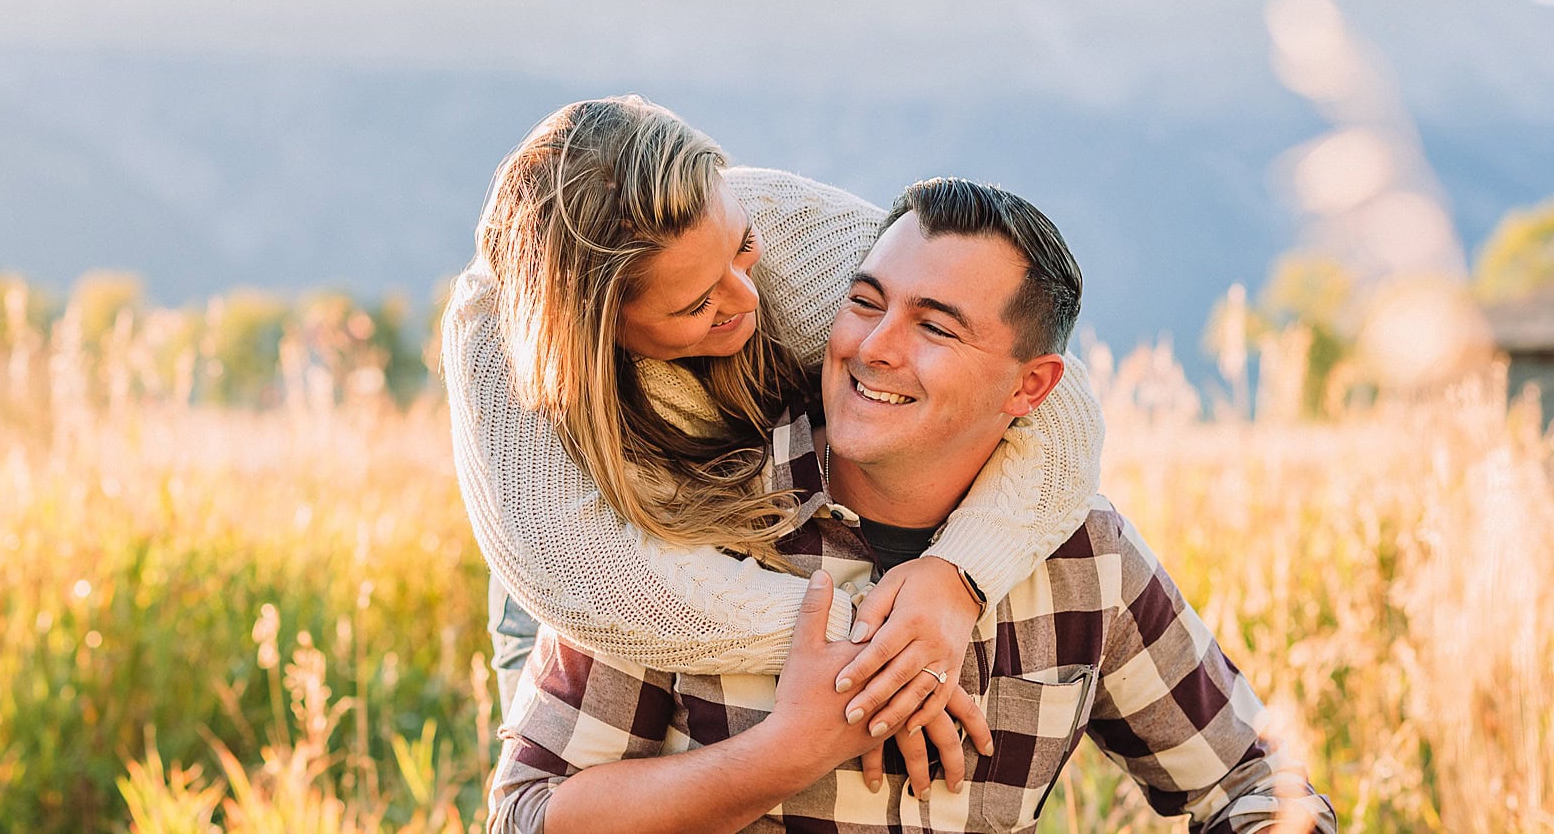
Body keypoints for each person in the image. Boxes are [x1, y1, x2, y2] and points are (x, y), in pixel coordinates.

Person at [488, 178, 1337, 834]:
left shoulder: (1086, 560)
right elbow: (528, 816)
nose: (873, 348)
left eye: (935, 327)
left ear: (1031, 387)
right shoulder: (695, 523)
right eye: (864, 302)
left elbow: (1257, 785)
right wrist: (784, 754)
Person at [441, 97, 1106, 773]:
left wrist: (954, 581)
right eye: (698, 304)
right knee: (554, 780)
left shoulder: (779, 225)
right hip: (591, 568)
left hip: (770, 502)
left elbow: (1057, 396)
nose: (746, 296)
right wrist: (886, 648)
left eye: (741, 250)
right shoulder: (502, 350)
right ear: (599, 326)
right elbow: (608, 590)